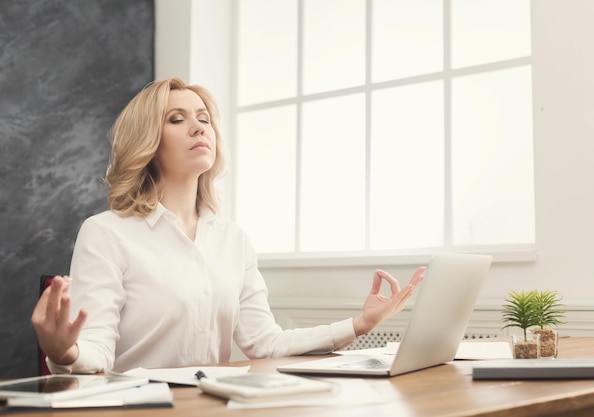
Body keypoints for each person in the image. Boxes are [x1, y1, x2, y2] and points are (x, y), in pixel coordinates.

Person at [31, 77, 425, 374]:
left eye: (204, 119)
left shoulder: (233, 239)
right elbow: (96, 353)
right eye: (176, 119)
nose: (200, 127)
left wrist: (360, 324)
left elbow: (264, 343)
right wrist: (63, 351)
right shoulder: (106, 233)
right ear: (148, 141)